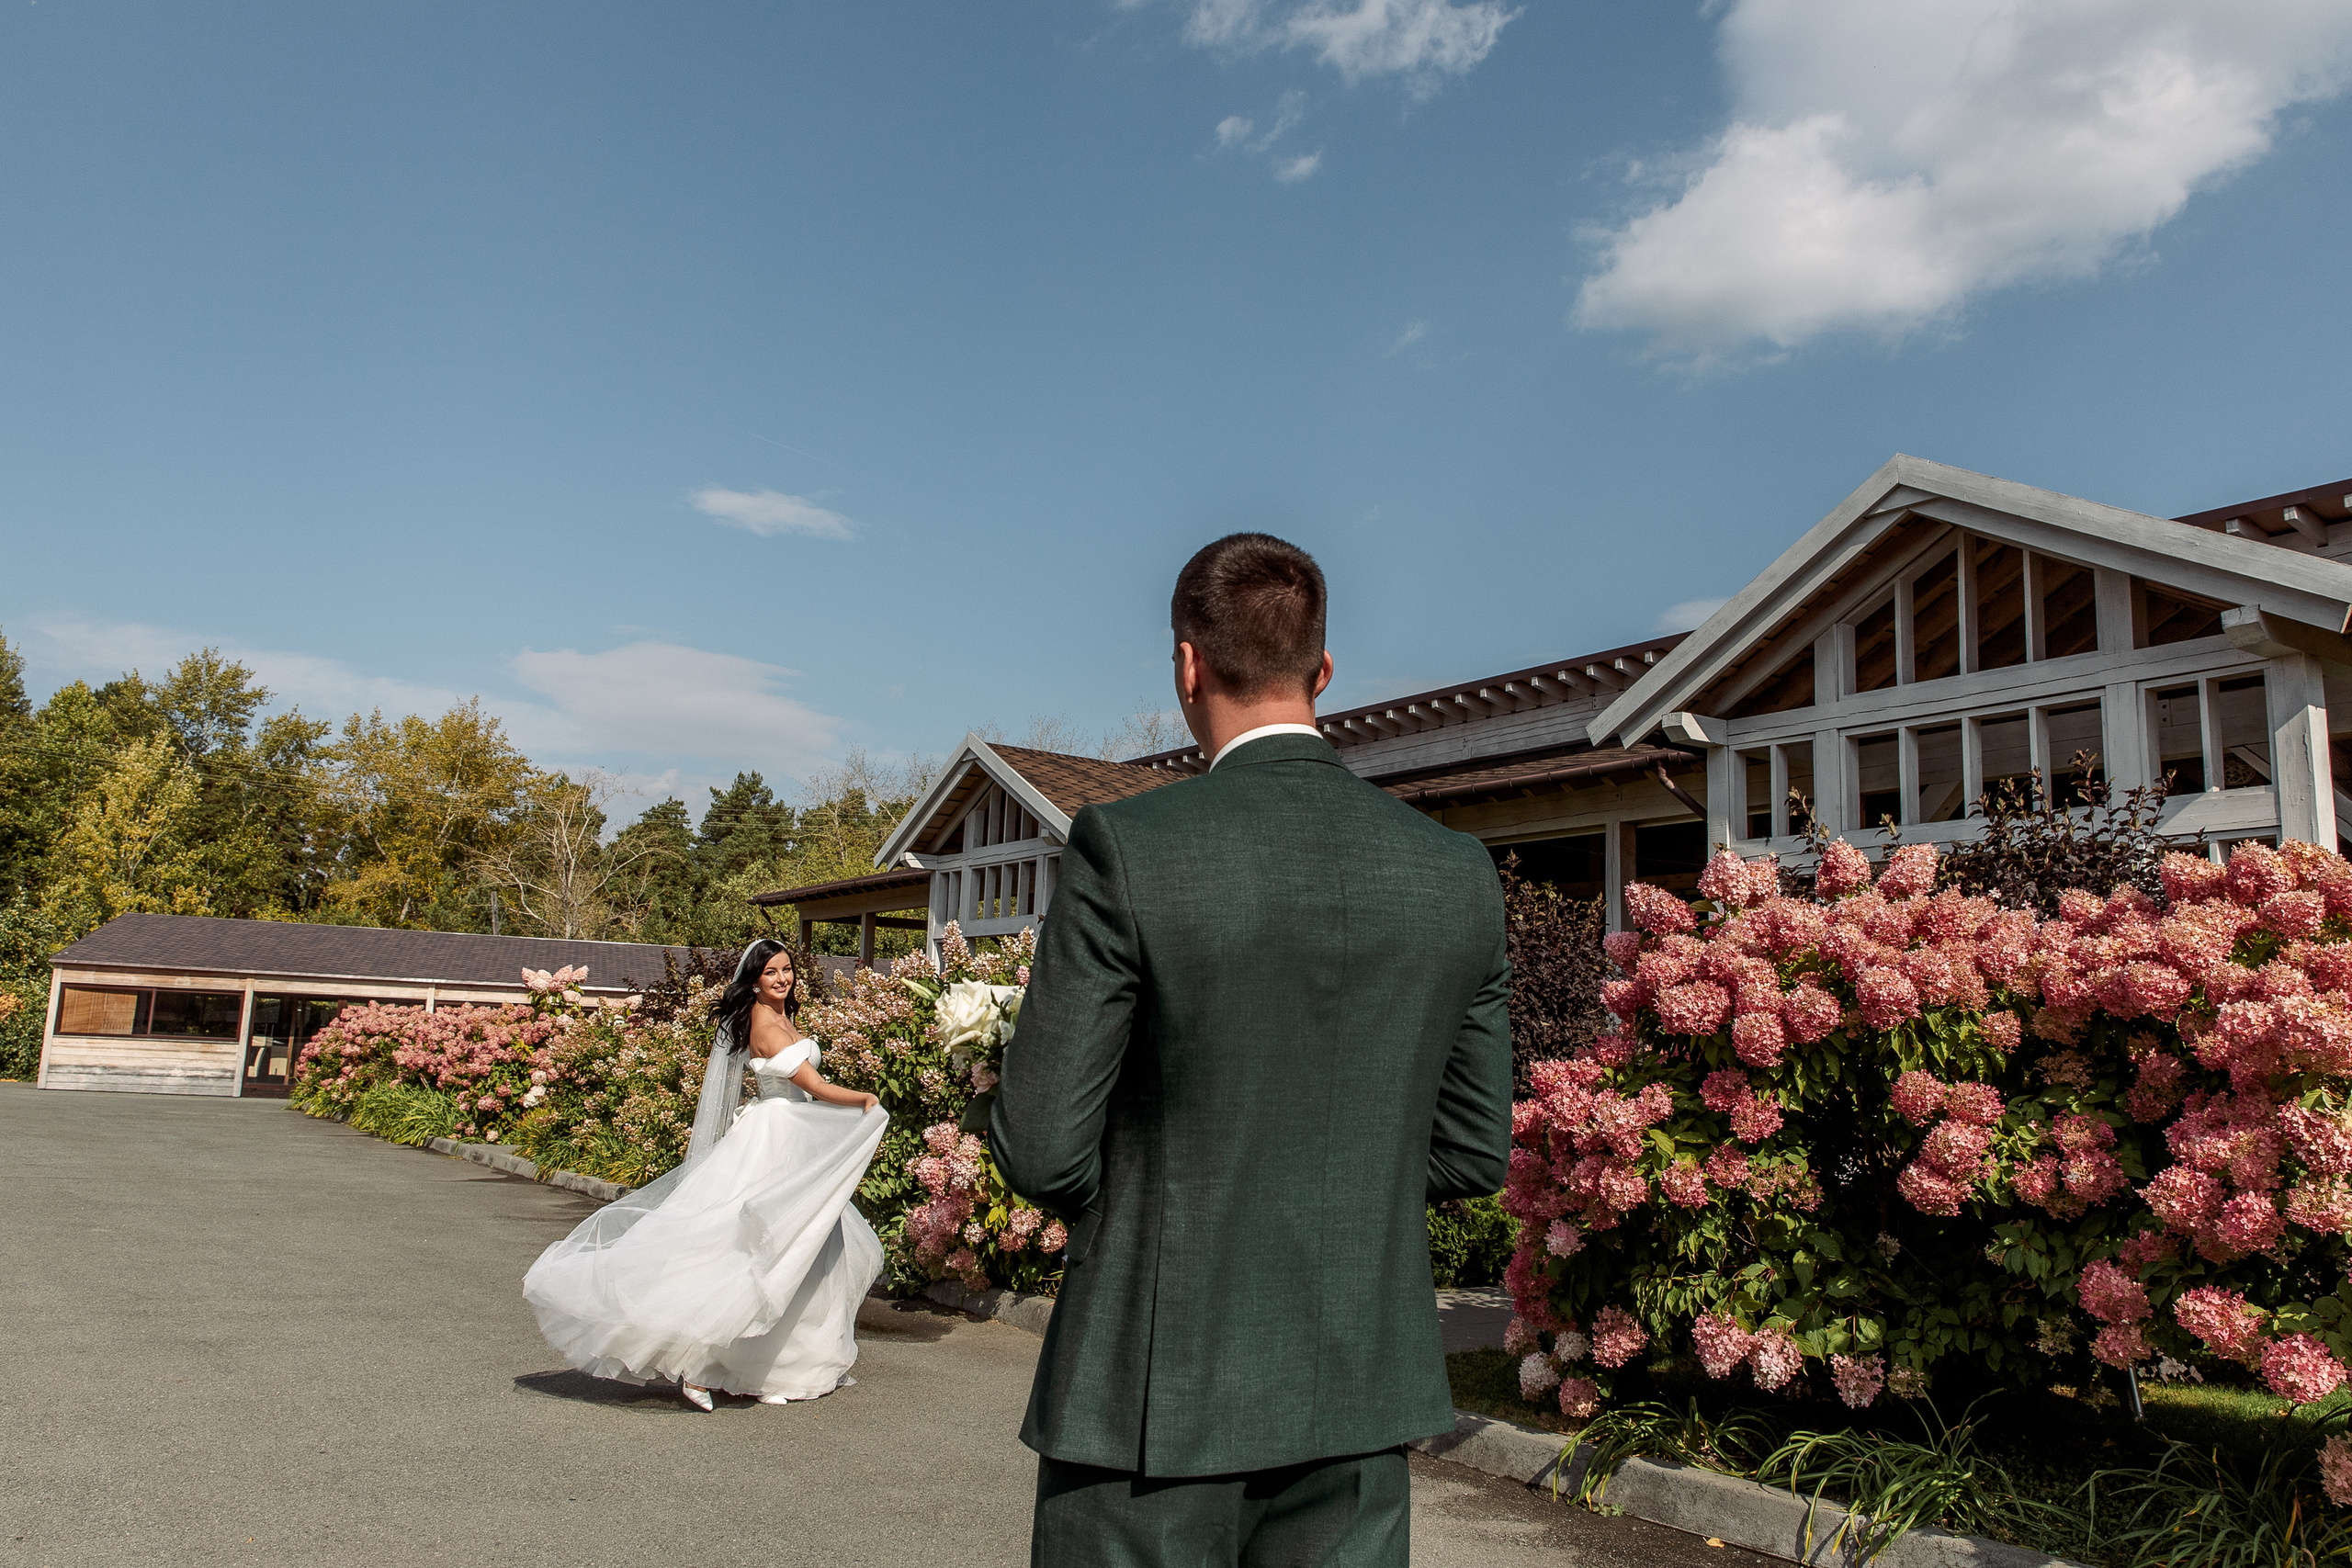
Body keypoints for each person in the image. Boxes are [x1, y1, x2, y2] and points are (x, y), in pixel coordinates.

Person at [990, 533, 1514, 1566]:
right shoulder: (1454, 873)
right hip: (1358, 1392)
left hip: (1152, 1392)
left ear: (1187, 666)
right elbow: (1471, 1149)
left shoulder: (1129, 848)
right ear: (1323, 671)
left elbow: (1043, 1146)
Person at [523, 940, 888, 1410]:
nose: (782, 978)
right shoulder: (766, 1026)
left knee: (807, 1247)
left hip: (789, 1135)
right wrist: (864, 1099)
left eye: (787, 969)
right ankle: (696, 1364)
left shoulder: (781, 1016)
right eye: (771, 972)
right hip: (774, 1137)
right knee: (756, 1250)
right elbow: (814, 1087)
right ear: (754, 981)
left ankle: (784, 1366)